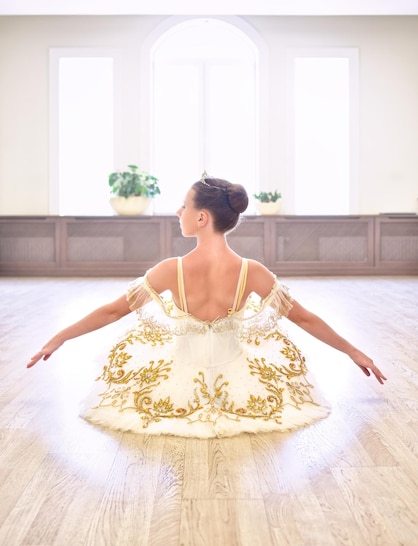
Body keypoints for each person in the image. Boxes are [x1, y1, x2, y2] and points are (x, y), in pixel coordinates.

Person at [27, 175, 386, 438]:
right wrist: (353, 351)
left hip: (177, 383)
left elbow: (111, 311)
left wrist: (58, 338)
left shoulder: (170, 271)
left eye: (185, 205)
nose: (178, 210)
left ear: (201, 218)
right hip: (240, 384)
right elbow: (305, 319)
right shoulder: (253, 273)